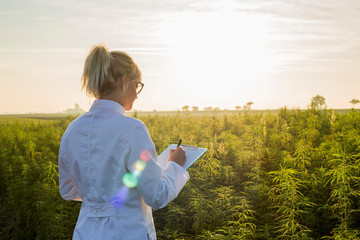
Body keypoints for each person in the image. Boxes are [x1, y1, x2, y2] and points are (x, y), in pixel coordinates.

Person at [58, 44, 189, 240]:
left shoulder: (72, 130)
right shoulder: (132, 129)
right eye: (137, 85)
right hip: (127, 232)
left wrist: (100, 197)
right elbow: (156, 196)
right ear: (124, 81)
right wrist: (174, 166)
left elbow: (68, 191)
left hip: (85, 233)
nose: (137, 94)